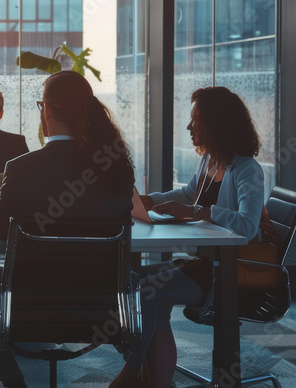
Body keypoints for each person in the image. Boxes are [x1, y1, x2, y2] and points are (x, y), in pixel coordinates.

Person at [110, 86, 265, 388]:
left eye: (196, 120)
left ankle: (132, 373)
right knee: (133, 280)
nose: (189, 127)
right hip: (203, 265)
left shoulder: (247, 169)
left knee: (146, 292)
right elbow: (189, 193)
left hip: (228, 275)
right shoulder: (209, 161)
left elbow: (247, 226)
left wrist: (199, 212)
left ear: (217, 124)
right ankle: (156, 381)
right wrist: (148, 201)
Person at [0, 70, 135, 239]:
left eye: (41, 105)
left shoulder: (20, 169)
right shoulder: (116, 167)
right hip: (103, 266)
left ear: (47, 110)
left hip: (39, 266)